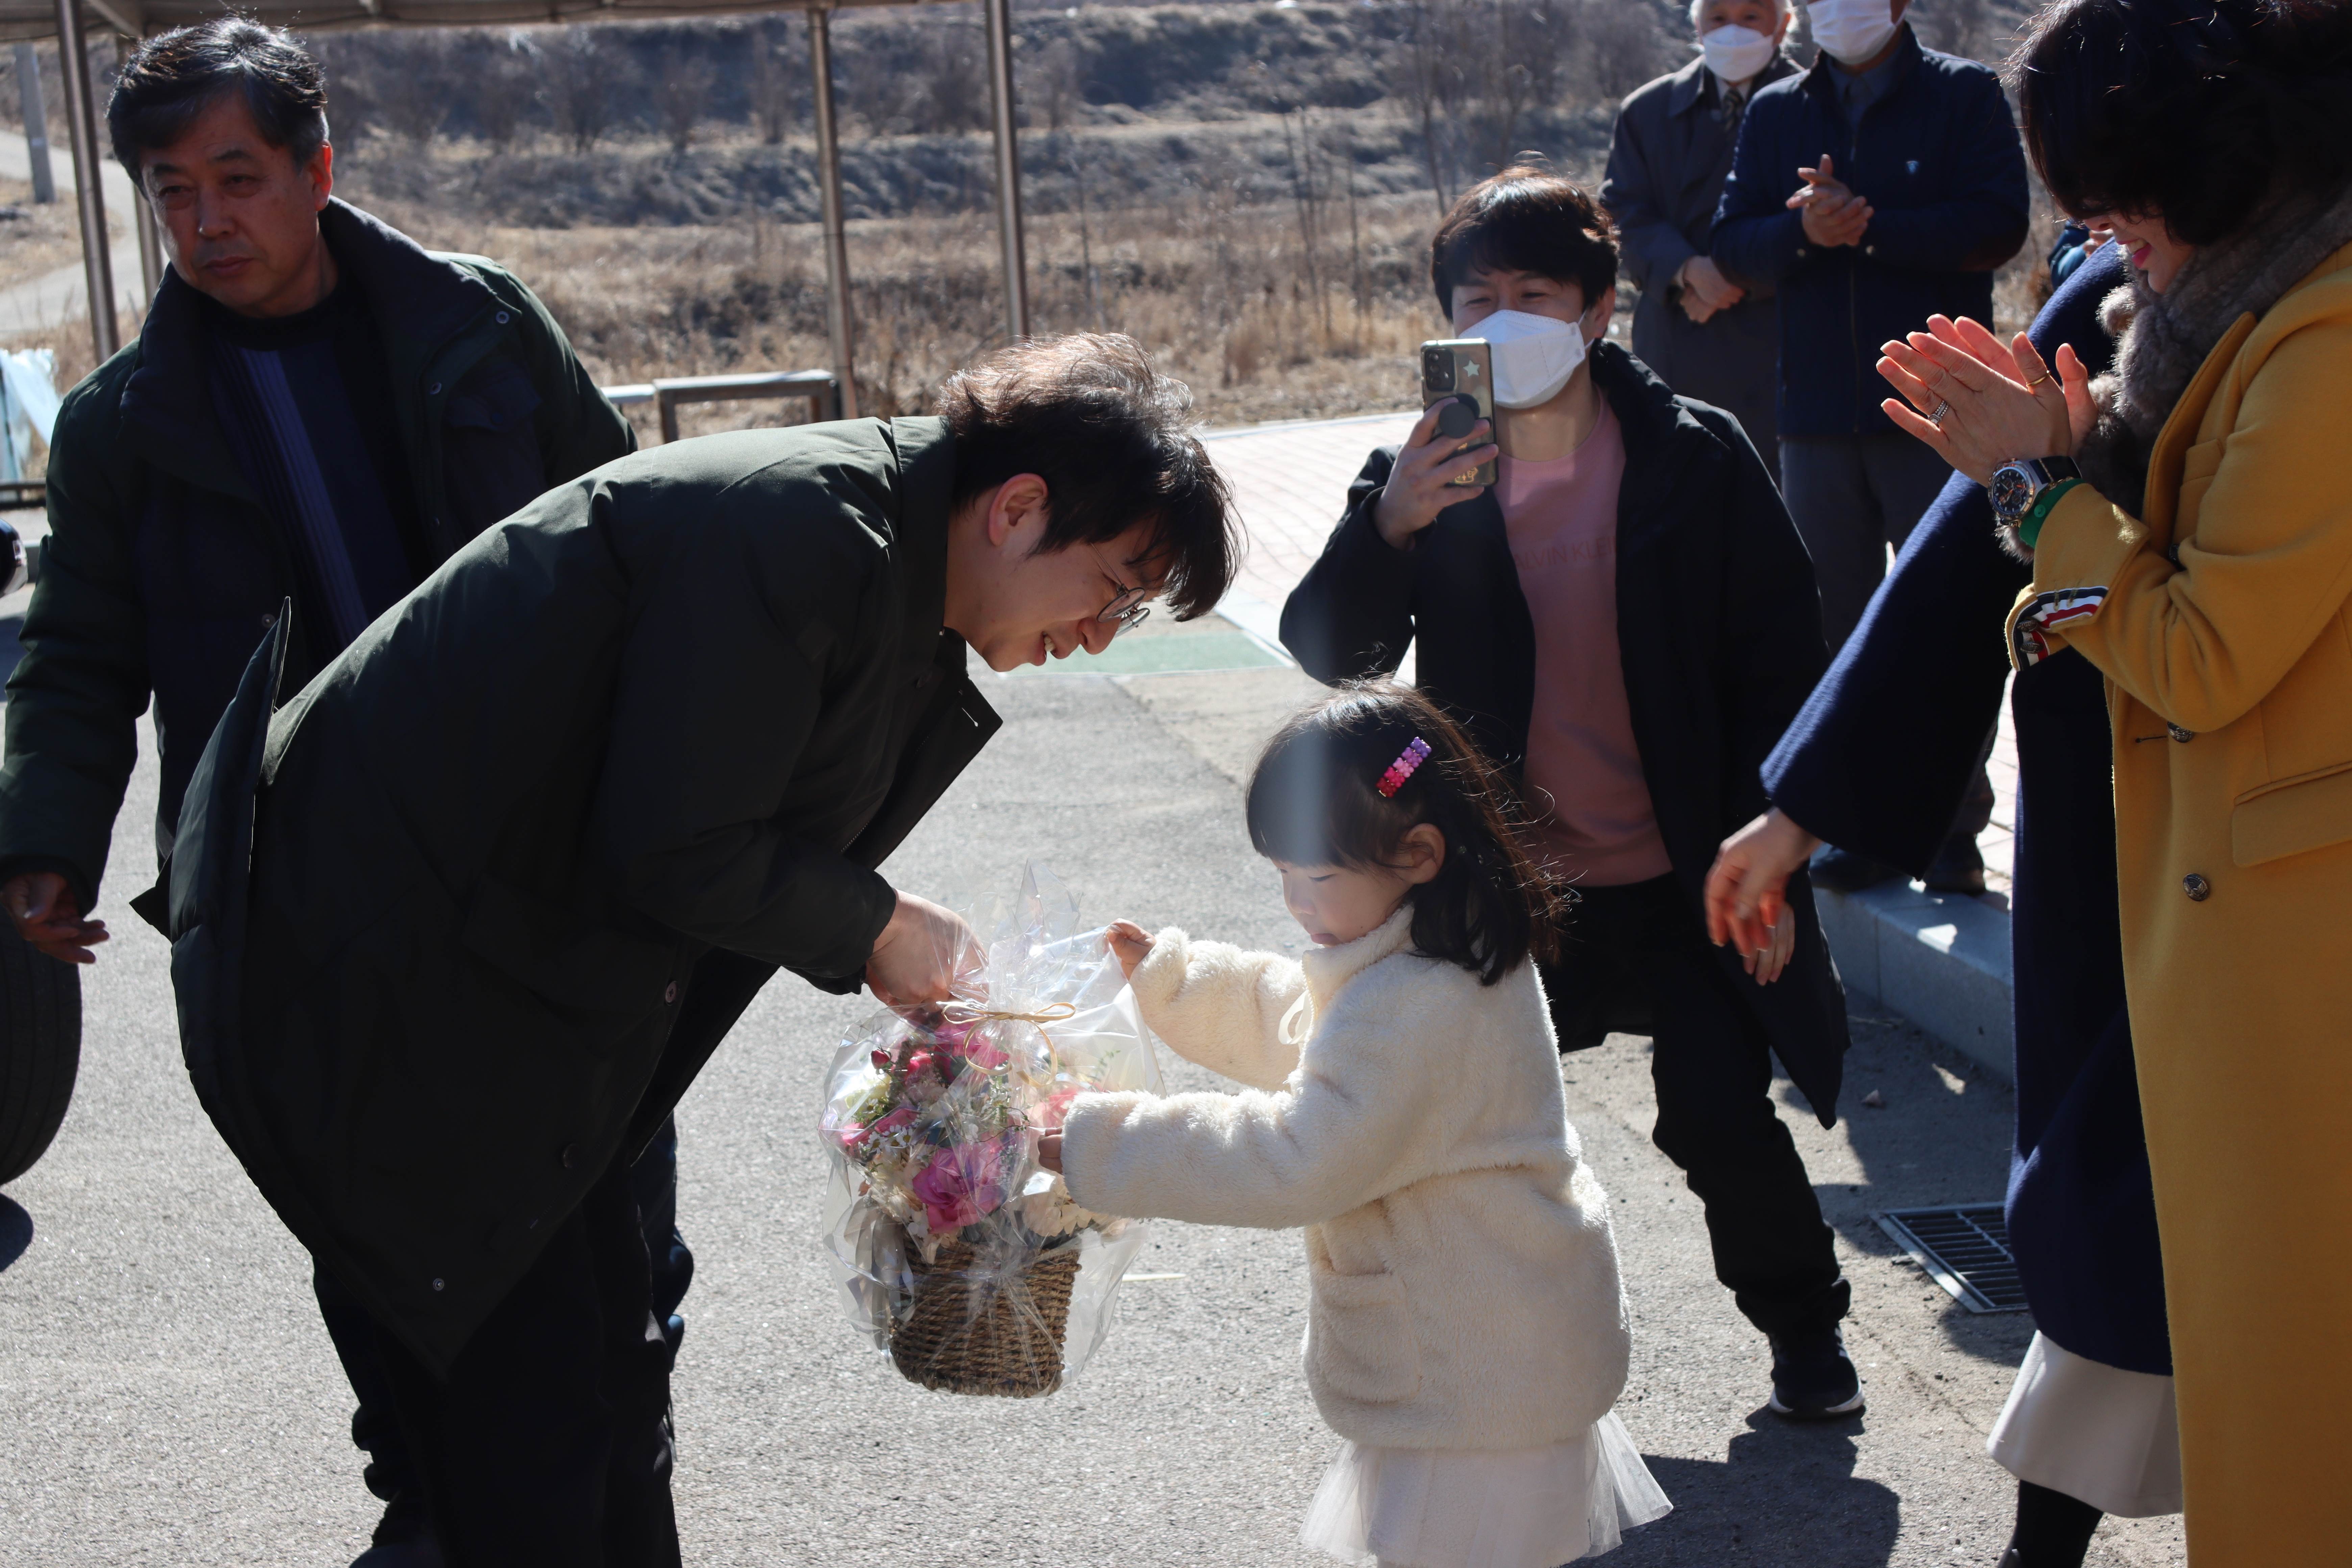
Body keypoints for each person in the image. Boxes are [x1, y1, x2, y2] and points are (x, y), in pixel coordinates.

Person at [162, 331, 1236, 1564]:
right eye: (1114, 591)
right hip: (385, 993)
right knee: (526, 1458)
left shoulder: (881, 554)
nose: (1101, 634)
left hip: (500, 994)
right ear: (1019, 507)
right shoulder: (808, 536)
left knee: (611, 1400)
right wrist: (876, 924)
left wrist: (876, 929)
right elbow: (676, 845)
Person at [0, 21, 643, 1564]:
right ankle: (424, 1495)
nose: (207, 220)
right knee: (373, 1220)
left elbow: (633, 537)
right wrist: (44, 843)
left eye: (238, 178)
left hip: (533, 865)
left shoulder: (481, 329)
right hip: (303, 897)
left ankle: (607, 1481)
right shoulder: (124, 426)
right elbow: (77, 658)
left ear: (317, 171)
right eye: (174, 192)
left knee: (604, 1226)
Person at [1847, 0, 2352, 1556]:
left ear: (2211, 166)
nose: (2102, 244)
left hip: (2296, 949)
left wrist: (2031, 483)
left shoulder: (2324, 337)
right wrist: (2069, 476)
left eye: (2120, 209)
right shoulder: (2245, 307)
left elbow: (2200, 651)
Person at [1280, 169, 1861, 1419]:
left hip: (1689, 870)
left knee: (1718, 1116)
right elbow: (1329, 649)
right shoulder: (1426, 472)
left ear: (1598, 312)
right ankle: (1473, 1365)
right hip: (1513, 885)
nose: (1504, 320)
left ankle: (1808, 1336)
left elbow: (1782, 663)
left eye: (1535, 295)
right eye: (1476, 298)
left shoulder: (1694, 455)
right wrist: (1389, 525)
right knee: (1469, 1131)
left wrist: (1777, 855)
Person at [1707, 238, 2184, 1568]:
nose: (2129, 228)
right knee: (2121, 1204)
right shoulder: (2132, 284)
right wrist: (1802, 807)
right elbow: (1960, 564)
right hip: (2143, 822)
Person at [1042, 684, 1672, 1568]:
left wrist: (1102, 1143)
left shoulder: (1420, 1004)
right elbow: (1317, 1028)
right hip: (1496, 1354)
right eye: (1285, 876)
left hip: (1474, 1378)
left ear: (1418, 853)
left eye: (1318, 878)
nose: (1297, 903)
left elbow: (1298, 1157)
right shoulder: (1435, 950)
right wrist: (1172, 982)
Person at [1712, 0, 2030, 892]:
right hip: (1815, 416)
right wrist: (1804, 234)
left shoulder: (1964, 94)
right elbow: (1733, 246)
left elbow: (1998, 225)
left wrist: (1875, 224)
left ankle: (1954, 831)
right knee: (1838, 631)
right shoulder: (1777, 110)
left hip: (1939, 408)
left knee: (1950, 617)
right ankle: (1852, 825)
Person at [1601, 0, 1800, 477]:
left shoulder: (1816, 106)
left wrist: (1735, 273)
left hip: (1784, 344)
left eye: (1751, 17)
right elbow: (1621, 212)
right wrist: (1687, 270)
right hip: (1676, 337)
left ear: (1783, 26)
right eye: (1718, 17)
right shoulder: (1647, 110)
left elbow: (1820, 221)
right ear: (1697, 24)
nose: (1733, 30)